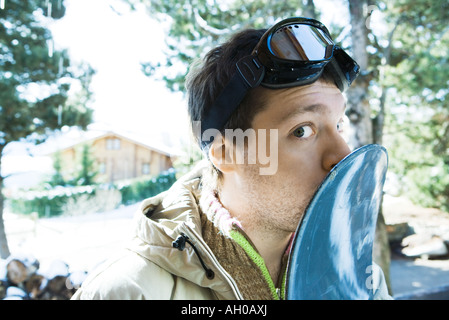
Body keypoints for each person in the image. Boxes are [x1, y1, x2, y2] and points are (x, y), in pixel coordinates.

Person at [72, 17, 391, 300]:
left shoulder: (355, 278)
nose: (343, 155)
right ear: (226, 153)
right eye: (301, 131)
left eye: (338, 125)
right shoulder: (129, 291)